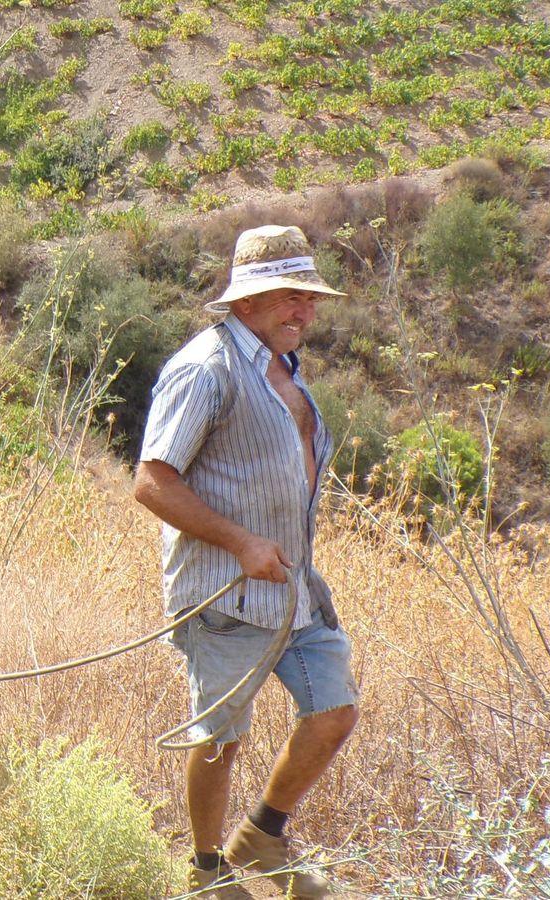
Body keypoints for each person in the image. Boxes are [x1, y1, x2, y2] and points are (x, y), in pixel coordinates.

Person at [133, 224, 360, 899]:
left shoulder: (279, 366)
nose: (305, 312)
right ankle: (206, 870)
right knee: (219, 739)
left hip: (293, 592)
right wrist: (240, 542)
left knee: (334, 712)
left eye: (310, 299)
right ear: (247, 301)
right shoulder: (205, 368)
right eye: (291, 297)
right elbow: (151, 480)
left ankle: (261, 836)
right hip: (223, 594)